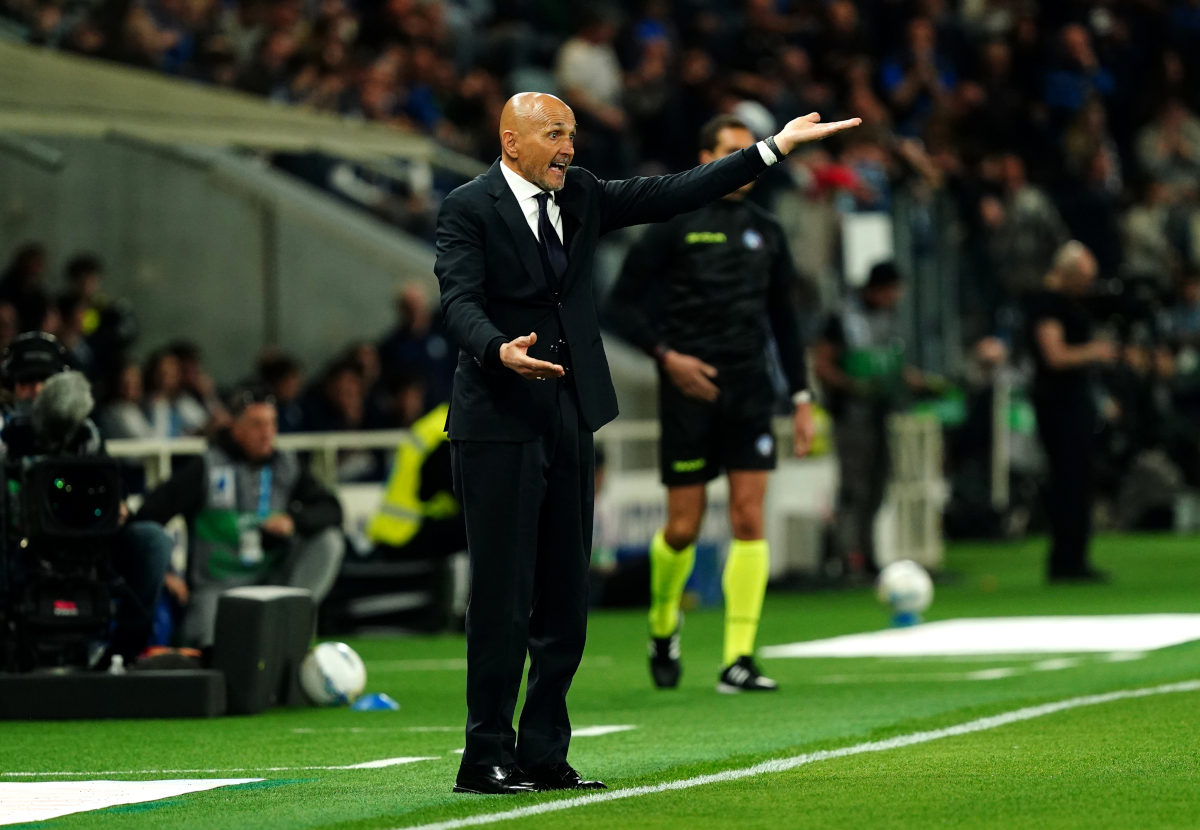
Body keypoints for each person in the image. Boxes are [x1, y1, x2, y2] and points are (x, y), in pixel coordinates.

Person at [435, 90, 858, 795]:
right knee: (504, 596)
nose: (570, 148)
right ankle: (485, 755)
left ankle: (543, 751)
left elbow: (676, 190)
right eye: (555, 135)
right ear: (511, 141)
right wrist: (495, 350)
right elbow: (457, 300)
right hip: (498, 421)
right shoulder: (468, 207)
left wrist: (772, 148)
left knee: (566, 599)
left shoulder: (581, 196)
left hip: (573, 413)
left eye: (572, 134)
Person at [606, 114, 816, 694]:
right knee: (682, 527)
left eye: (743, 151)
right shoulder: (670, 223)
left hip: (750, 391)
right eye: (727, 150)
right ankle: (662, 622)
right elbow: (620, 304)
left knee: (750, 518)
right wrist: (666, 356)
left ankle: (738, 658)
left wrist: (800, 396)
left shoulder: (767, 232)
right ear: (704, 157)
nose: (737, 161)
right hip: (687, 392)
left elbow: (785, 322)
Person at [0, 332, 173, 663]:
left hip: (88, 540)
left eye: (45, 382)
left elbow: (112, 493)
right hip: (19, 545)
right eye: (26, 383)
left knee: (152, 542)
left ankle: (122, 652)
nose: (36, 392)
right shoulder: (4, 440)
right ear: (12, 386)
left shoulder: (87, 436)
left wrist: (118, 509)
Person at [135, 387, 346, 646]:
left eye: (272, 423)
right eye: (257, 424)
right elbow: (148, 515)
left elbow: (332, 509)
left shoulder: (286, 465)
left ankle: (293, 615)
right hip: (217, 587)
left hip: (273, 582)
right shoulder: (206, 467)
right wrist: (165, 572)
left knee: (329, 541)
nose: (268, 433)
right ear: (235, 428)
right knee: (203, 646)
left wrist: (294, 520)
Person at [815, 262, 925, 577]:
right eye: (892, 290)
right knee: (853, 487)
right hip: (851, 414)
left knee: (878, 486)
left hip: (881, 412)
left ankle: (867, 552)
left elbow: (892, 365)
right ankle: (847, 558)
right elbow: (822, 363)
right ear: (878, 288)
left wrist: (920, 384)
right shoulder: (843, 316)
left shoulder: (888, 318)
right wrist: (850, 385)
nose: (895, 297)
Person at [1027, 241, 1116, 581]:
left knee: (1080, 478)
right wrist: (1094, 352)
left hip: (1075, 398)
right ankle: (1065, 559)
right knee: (1068, 478)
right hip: (1057, 401)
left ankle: (1075, 556)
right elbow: (1056, 356)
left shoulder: (1071, 305)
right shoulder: (1047, 306)